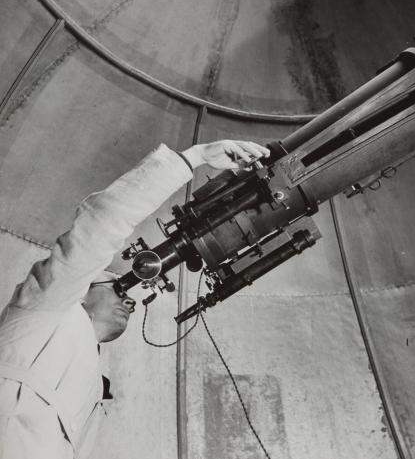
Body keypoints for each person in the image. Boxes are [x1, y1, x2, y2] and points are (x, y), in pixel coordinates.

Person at [0, 140, 270, 459]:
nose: (131, 302)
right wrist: (193, 158)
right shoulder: (44, 307)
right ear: (80, 288)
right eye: (119, 288)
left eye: (123, 291)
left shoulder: (92, 384)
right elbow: (99, 226)